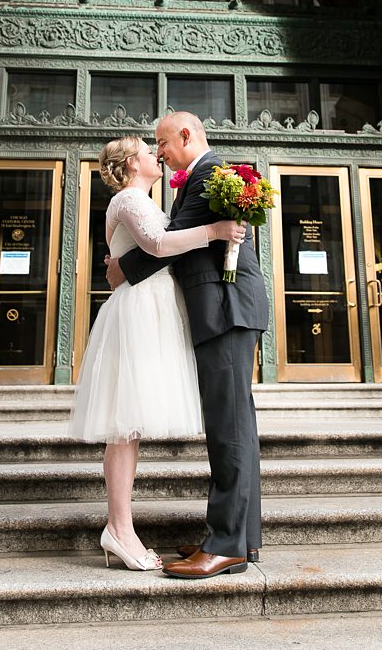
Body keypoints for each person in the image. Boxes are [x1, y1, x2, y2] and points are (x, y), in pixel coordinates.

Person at [68, 134, 246, 571]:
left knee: (129, 425)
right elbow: (158, 246)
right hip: (137, 314)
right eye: (148, 151)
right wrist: (216, 231)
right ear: (131, 164)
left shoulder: (144, 201)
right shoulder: (128, 199)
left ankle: (119, 527)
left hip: (152, 310)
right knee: (123, 425)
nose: (155, 154)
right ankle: (119, 529)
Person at [105, 112, 270, 579]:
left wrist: (121, 269)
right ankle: (238, 540)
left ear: (185, 135)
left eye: (162, 142)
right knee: (232, 426)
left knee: (228, 429)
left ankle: (226, 544)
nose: (159, 152)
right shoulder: (198, 179)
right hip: (218, 311)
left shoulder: (209, 177)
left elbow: (167, 241)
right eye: (153, 146)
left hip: (226, 310)